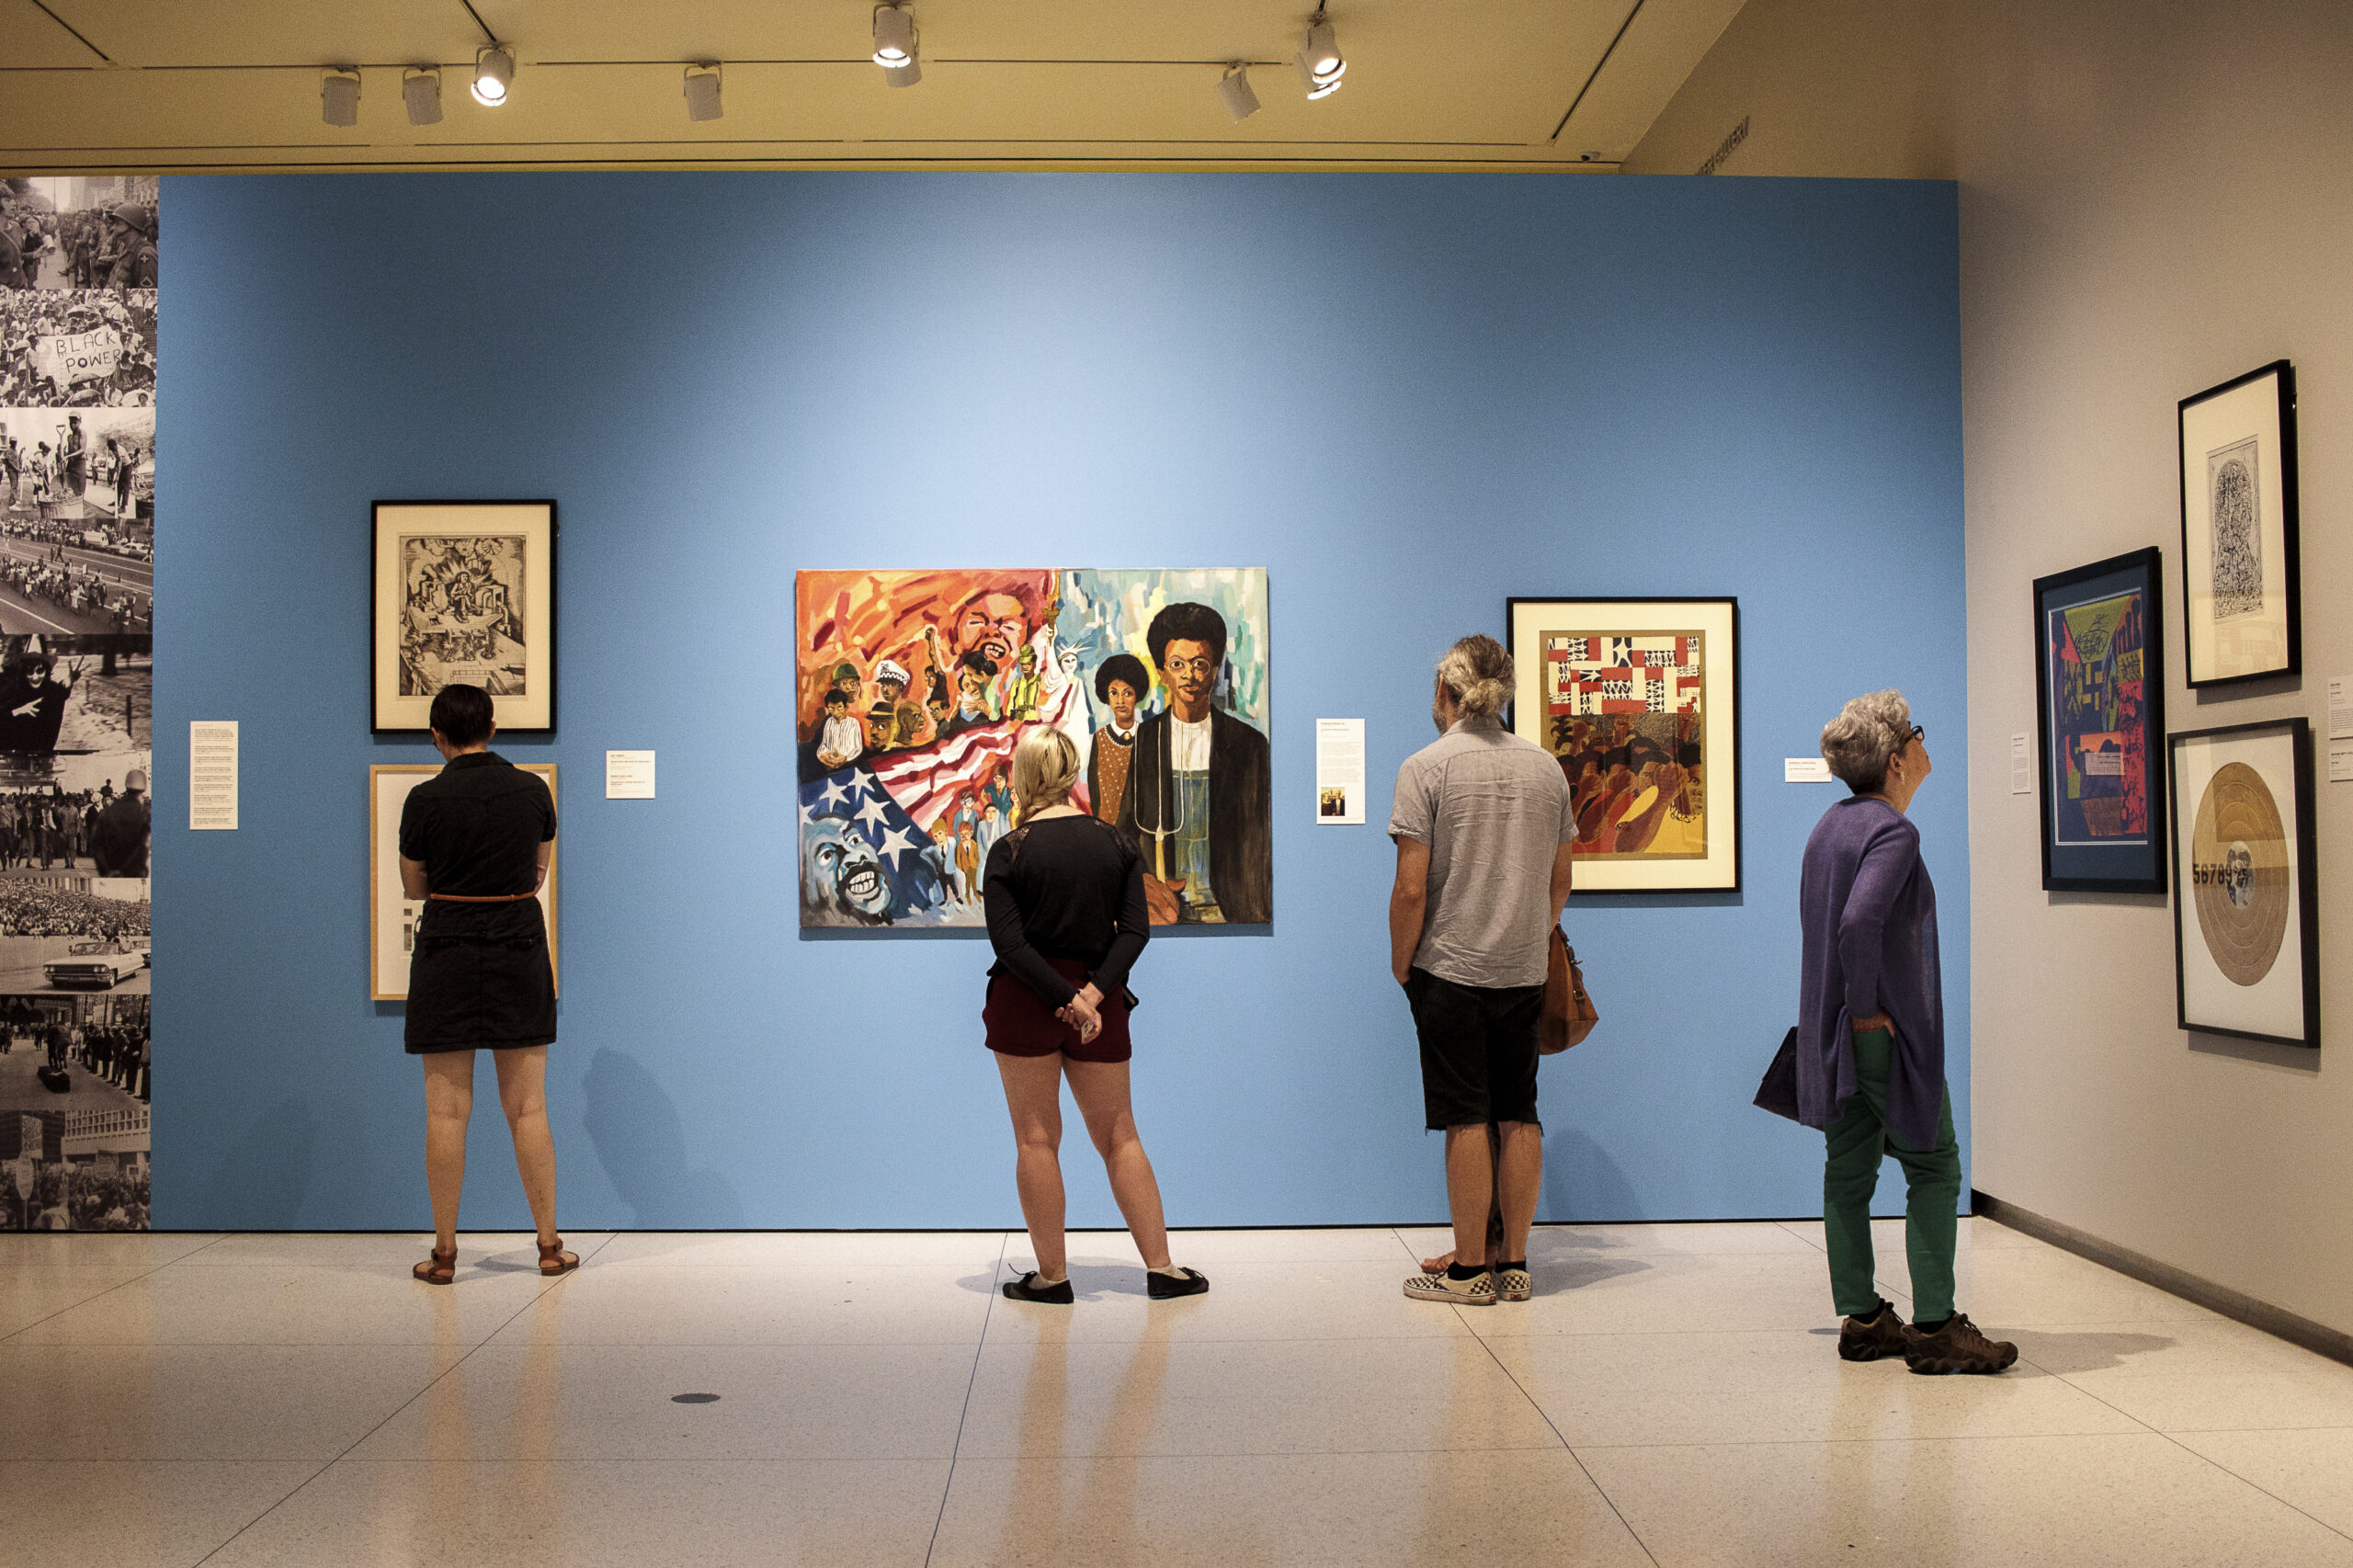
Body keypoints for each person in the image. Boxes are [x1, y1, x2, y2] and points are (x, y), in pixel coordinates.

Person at [1801, 691, 2016, 1375]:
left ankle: (1862, 1318)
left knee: (1849, 1168)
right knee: (1933, 1164)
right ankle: (1933, 1326)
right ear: (1897, 759)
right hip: (1880, 1033)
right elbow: (1859, 924)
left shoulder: (1829, 826)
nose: (1927, 744)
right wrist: (1868, 1009)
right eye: (1918, 734)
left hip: (1832, 1032)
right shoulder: (1893, 833)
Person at [983, 725, 1206, 1304]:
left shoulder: (1009, 850)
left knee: (1036, 1141)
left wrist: (1061, 997)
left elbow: (1009, 946)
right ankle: (1162, 1270)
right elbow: (1135, 932)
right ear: (1070, 771)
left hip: (1027, 1001)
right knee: (1120, 1136)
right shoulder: (1115, 843)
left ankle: (1052, 1279)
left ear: (1025, 776)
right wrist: (1090, 995)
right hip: (1100, 1003)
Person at [1390, 635, 1576, 1306]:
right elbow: (1561, 880)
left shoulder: (1426, 768)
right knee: (1519, 1112)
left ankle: (1470, 1269)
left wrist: (1400, 960)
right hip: (1522, 967)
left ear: (1446, 690)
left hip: (1449, 965)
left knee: (1465, 1117)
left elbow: (1412, 888)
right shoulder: (1545, 768)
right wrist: (1534, 934)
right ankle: (1515, 1263)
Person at [396, 684, 575, 1286]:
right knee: (528, 1109)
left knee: (446, 1113)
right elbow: (538, 871)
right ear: (493, 727)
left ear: (437, 736)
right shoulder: (533, 791)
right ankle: (549, 1247)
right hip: (518, 943)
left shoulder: (424, 799)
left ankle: (445, 1255)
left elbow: (414, 887)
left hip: (446, 946)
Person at [1113, 603, 1272, 924]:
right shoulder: (1147, 738)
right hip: (1164, 908)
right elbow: (1127, 831)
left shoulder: (1248, 745)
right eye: (1177, 664)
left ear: (1214, 670)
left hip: (1231, 908)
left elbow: (1258, 840)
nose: (1189, 674)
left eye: (1200, 664)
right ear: (1162, 674)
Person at [1086, 653, 1148, 831]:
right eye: (1114, 693)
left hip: (1139, 829)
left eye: (1127, 693)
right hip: (1106, 828)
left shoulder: (1146, 736)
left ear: (1137, 695)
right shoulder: (1100, 738)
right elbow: (1095, 789)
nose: (1120, 701)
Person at [90, 768, 148, 878]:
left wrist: (105, 870)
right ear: (143, 789)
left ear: (126, 786)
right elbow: (144, 845)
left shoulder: (108, 811)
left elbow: (96, 844)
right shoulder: (144, 813)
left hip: (111, 869)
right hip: (135, 871)